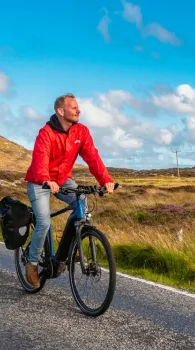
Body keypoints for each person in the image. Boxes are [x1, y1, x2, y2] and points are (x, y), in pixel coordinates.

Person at [23, 93, 115, 287]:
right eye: (74, 108)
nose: (78, 110)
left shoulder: (81, 132)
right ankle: (31, 264)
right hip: (40, 181)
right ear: (61, 111)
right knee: (44, 221)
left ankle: (73, 247)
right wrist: (46, 179)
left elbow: (93, 157)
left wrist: (106, 180)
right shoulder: (46, 133)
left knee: (82, 204)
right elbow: (41, 159)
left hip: (63, 180)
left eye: (77, 107)